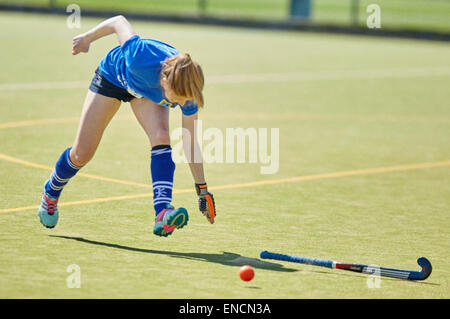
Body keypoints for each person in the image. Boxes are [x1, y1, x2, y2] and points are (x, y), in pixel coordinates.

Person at [38, 15, 216, 237]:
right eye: (176, 99)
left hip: (143, 94)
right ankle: (51, 192)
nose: (180, 104)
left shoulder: (188, 94)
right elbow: (119, 22)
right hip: (113, 78)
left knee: (161, 136)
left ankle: (162, 212)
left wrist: (202, 190)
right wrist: (87, 38)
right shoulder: (139, 57)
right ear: (164, 82)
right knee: (81, 154)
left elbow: (190, 143)